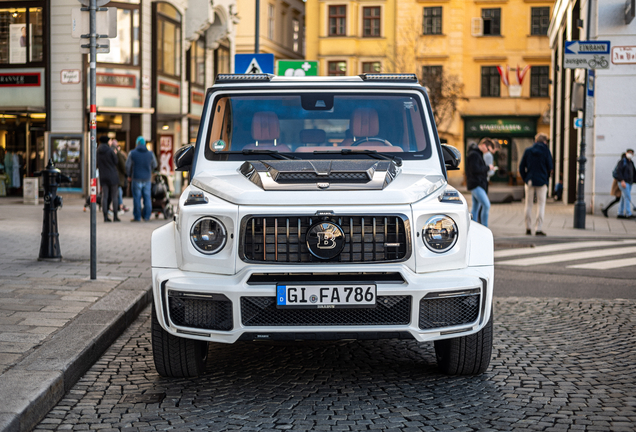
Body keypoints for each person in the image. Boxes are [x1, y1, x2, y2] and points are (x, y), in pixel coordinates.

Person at [519, 132, 553, 236]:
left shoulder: (528, 151)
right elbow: (550, 167)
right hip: (542, 182)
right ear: (545, 141)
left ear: (535, 141)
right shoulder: (546, 151)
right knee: (541, 205)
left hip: (530, 181)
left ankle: (528, 228)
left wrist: (526, 178)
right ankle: (538, 228)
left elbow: (521, 167)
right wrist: (546, 179)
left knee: (528, 205)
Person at [126, 136, 157, 222]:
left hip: (136, 178)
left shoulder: (132, 153)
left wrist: (129, 175)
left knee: (137, 198)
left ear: (137, 144)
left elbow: (127, 166)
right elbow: (155, 164)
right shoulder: (150, 153)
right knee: (147, 198)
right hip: (147, 178)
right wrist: (149, 169)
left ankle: (137, 217)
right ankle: (147, 216)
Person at [466, 138, 493, 227]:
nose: (488, 152)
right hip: (476, 184)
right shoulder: (474, 154)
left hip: (476, 184)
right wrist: (488, 167)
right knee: (486, 205)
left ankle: (473, 227)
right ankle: (484, 227)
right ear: (484, 146)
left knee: (476, 207)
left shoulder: (476, 154)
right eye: (488, 149)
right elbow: (475, 169)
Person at [95, 135, 120, 222]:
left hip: (103, 176)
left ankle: (105, 216)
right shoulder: (110, 150)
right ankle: (115, 216)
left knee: (104, 196)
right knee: (114, 196)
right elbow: (116, 161)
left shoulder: (98, 151)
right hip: (112, 176)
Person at [613, 149, 635, 219]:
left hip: (629, 182)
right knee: (627, 197)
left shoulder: (631, 162)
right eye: (629, 153)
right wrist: (622, 180)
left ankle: (620, 213)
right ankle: (628, 213)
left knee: (623, 198)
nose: (630, 154)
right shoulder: (622, 162)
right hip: (624, 182)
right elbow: (619, 171)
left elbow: (634, 172)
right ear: (626, 153)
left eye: (631, 153)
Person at [111, 139, 130, 214]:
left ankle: (119, 206)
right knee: (118, 191)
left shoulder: (111, 152)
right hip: (117, 176)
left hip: (113, 176)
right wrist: (126, 174)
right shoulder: (118, 154)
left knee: (117, 192)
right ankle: (120, 206)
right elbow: (123, 166)